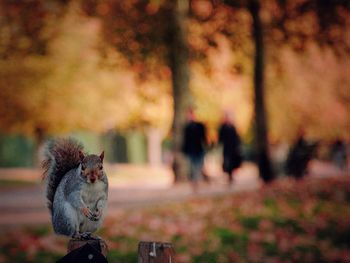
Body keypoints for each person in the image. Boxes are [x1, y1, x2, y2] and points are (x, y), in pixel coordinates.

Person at [182, 108, 207, 192]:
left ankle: (197, 182)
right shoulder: (186, 128)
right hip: (191, 151)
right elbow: (185, 140)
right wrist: (184, 150)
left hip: (199, 150)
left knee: (198, 167)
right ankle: (194, 183)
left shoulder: (200, 126)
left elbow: (204, 138)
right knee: (192, 168)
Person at [218, 112, 242, 185]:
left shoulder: (232, 127)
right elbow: (220, 138)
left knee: (232, 162)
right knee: (227, 162)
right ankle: (229, 175)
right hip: (226, 148)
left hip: (233, 148)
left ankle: (231, 176)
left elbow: (236, 138)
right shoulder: (223, 127)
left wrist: (237, 146)